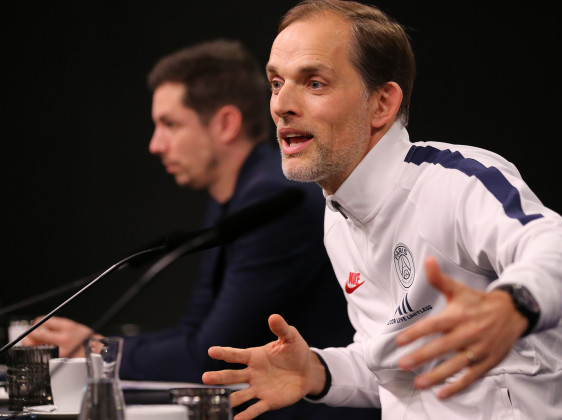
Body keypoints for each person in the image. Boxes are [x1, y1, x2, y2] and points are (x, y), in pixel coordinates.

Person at [200, 1, 562, 420]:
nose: (281, 104)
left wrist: (512, 306)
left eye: (314, 83)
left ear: (381, 104)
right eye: (275, 83)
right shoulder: (337, 215)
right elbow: (392, 362)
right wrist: (317, 371)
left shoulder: (454, 182)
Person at [23, 38, 380, 420]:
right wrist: (98, 346)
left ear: (226, 124)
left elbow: (207, 353)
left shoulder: (274, 202)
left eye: (170, 124)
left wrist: (96, 350)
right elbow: (195, 329)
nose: (155, 145)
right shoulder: (236, 194)